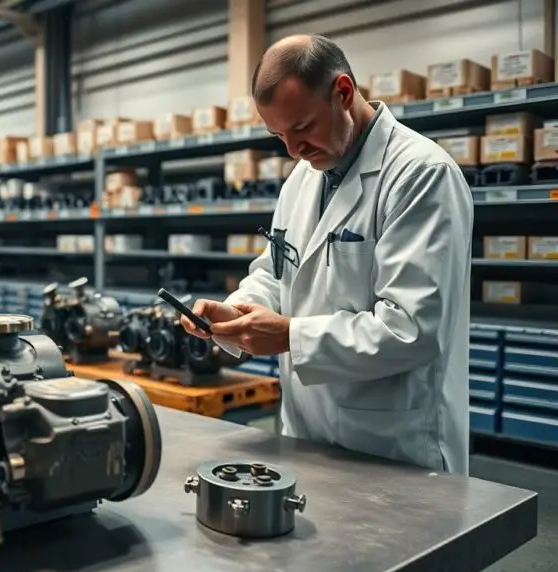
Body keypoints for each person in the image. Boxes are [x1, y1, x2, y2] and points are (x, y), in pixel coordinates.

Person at [182, 34, 472, 475]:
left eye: (302, 128)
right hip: (306, 433)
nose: (293, 150)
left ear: (343, 92)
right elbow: (276, 272)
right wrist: (237, 312)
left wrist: (289, 336)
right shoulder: (302, 178)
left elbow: (412, 329)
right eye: (278, 135)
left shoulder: (420, 175)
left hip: (393, 444)